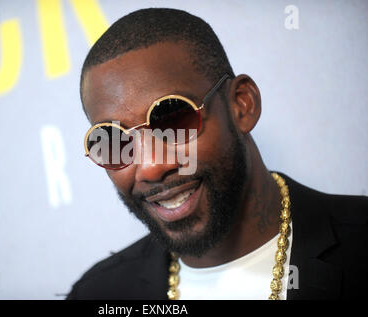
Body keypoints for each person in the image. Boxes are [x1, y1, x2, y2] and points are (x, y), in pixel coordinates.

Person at [67, 8, 367, 300]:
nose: (150, 167)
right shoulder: (99, 292)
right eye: (112, 141)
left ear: (241, 105)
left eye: (173, 118)